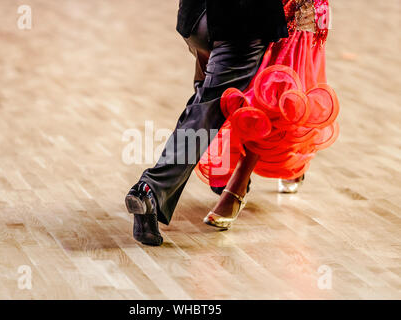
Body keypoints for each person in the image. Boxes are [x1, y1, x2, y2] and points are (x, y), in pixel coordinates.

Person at [125, 0, 288, 246]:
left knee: (207, 98)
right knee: (209, 108)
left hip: (195, 17)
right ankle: (152, 189)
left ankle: (217, 176)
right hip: (240, 22)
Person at [198, 0, 339, 229]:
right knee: (248, 87)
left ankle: (237, 188)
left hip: (298, 9)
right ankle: (295, 160)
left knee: (277, 91)